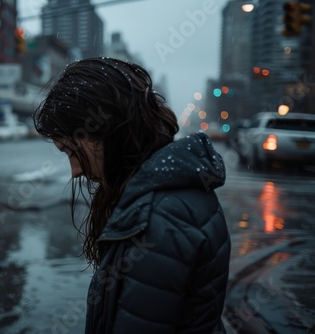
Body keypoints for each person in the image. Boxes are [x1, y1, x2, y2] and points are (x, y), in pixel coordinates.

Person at [33, 57, 231, 333]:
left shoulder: (157, 220)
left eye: (71, 151)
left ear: (107, 133)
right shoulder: (172, 191)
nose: (74, 171)